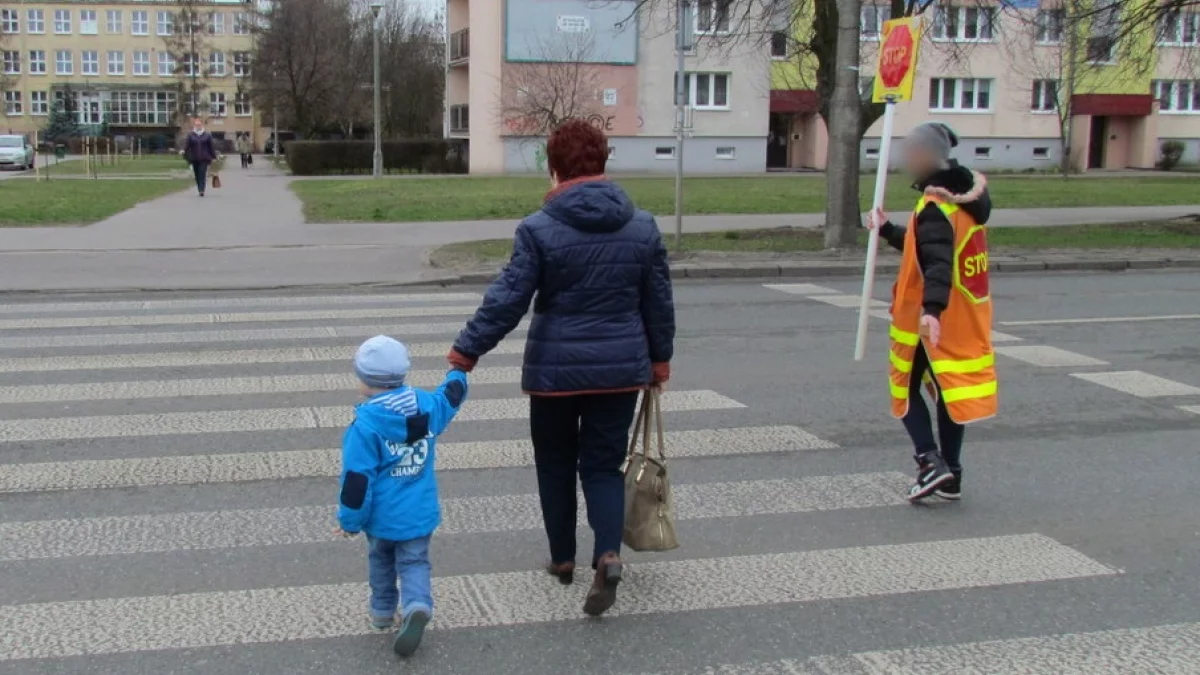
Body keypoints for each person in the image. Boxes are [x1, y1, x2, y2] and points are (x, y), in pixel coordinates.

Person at [447, 119, 675, 617]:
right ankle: (608, 555)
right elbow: (658, 300)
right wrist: (660, 359)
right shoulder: (643, 226)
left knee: (554, 463)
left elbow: (508, 299)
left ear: (553, 168)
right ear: (603, 163)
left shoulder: (538, 228)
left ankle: (562, 559)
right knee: (601, 464)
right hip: (620, 371)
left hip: (555, 373)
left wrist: (467, 351)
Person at [867, 121, 997, 503]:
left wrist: (931, 311)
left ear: (925, 157)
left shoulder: (935, 207)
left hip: (928, 320)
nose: (906, 163)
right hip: (962, 318)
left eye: (910, 155)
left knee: (904, 389)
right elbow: (924, 248)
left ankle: (929, 463)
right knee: (946, 393)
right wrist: (888, 230)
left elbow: (938, 262)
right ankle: (952, 473)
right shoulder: (964, 201)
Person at [335, 335, 469, 657]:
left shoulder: (366, 425)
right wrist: (458, 371)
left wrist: (350, 521)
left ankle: (382, 612)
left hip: (382, 517)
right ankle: (417, 604)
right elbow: (451, 397)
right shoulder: (426, 408)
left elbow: (357, 481)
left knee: (380, 560)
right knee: (414, 561)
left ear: (366, 381)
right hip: (419, 512)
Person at [181, 118, 217, 196]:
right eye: (197, 125)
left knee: (202, 173)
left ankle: (201, 190)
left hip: (204, 158)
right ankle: (199, 187)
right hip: (194, 158)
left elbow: (211, 147)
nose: (198, 126)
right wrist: (183, 150)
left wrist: (214, 157)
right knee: (197, 174)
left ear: (202, 125)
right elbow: (187, 145)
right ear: (194, 125)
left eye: (199, 124)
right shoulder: (191, 135)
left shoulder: (207, 135)